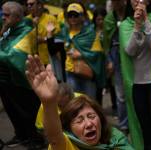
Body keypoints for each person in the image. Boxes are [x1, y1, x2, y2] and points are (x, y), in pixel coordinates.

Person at [25, 54, 134, 150]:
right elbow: (54, 137)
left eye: (91, 116)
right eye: (79, 121)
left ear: (101, 119)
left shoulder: (116, 139)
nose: (89, 124)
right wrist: (48, 102)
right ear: (69, 130)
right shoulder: (68, 145)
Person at [120, 0, 151, 149]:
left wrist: (145, 21)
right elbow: (130, 51)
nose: (138, 1)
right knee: (145, 129)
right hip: (137, 85)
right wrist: (137, 27)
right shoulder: (126, 24)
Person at [0, 1, 45, 149]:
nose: (3, 17)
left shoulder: (27, 30)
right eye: (2, 14)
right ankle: (21, 135)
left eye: (7, 15)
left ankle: (35, 140)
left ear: (18, 17)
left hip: (22, 81)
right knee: (12, 110)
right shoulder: (9, 29)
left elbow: (14, 54)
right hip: (6, 80)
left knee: (27, 112)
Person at [57, 3, 106, 99]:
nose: (72, 18)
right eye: (70, 15)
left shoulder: (90, 33)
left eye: (75, 15)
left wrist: (81, 55)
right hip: (70, 72)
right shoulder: (64, 32)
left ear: (82, 16)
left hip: (86, 72)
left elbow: (98, 53)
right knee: (75, 102)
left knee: (90, 101)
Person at [103, 0, 129, 133]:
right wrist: (109, 60)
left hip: (132, 55)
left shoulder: (131, 14)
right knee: (120, 95)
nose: (116, 3)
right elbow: (106, 43)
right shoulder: (109, 19)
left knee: (134, 90)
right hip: (116, 56)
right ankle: (124, 124)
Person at [26, 0, 60, 65]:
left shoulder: (51, 19)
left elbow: (58, 38)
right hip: (31, 60)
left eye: (31, 4)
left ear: (39, 5)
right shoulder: (26, 20)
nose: (29, 6)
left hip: (48, 60)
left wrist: (43, 39)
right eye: (27, 5)